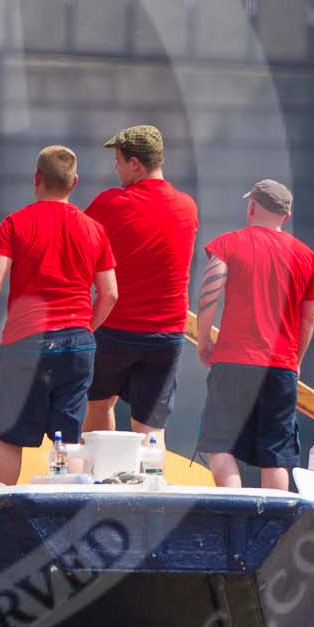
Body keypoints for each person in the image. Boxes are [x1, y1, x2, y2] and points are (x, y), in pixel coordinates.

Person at [0, 147, 118, 487]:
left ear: (37, 178)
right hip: (77, 344)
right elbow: (110, 293)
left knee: (9, 437)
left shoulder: (16, 223)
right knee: (69, 437)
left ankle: (2, 507)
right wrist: (84, 329)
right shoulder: (94, 229)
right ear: (74, 182)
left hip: (25, 344)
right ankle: (71, 507)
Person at [193, 179, 314, 491]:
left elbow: (209, 291)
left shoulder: (229, 243)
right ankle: (270, 529)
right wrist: (295, 361)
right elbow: (308, 319)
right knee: (276, 456)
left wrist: (203, 340)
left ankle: (233, 510)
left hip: (233, 362)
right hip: (280, 367)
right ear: (286, 217)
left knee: (220, 445)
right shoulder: (307, 258)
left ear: (252, 207)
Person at [82, 125, 197, 448]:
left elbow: (78, 243)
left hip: (116, 327)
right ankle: (150, 490)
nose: (114, 168)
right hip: (167, 334)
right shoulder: (187, 207)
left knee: (100, 403)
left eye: (118, 160)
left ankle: (97, 482)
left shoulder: (111, 204)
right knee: (150, 425)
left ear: (136, 164)